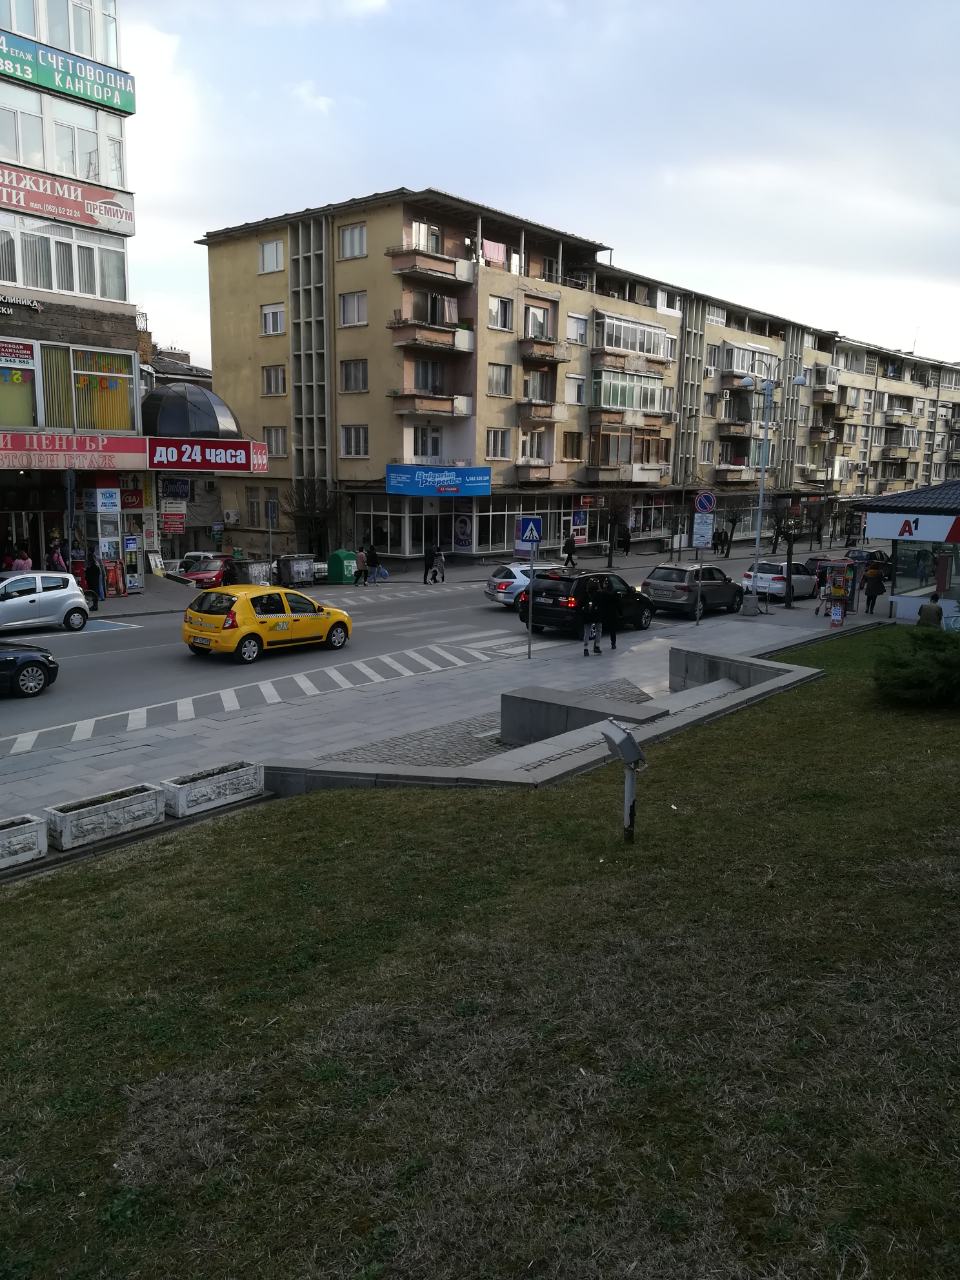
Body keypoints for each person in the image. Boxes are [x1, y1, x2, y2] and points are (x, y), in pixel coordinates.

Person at [597, 576, 623, 652]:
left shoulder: (602, 593)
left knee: (599, 630)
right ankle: (613, 643)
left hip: (603, 613)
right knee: (612, 630)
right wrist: (620, 613)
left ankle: (597, 645)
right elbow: (618, 604)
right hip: (612, 614)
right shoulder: (613, 593)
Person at [578, 579, 601, 656]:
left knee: (587, 632)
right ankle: (597, 646)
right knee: (598, 630)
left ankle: (585, 648)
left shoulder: (585, 594)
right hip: (597, 615)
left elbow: (579, 605)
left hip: (587, 615)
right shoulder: (599, 594)